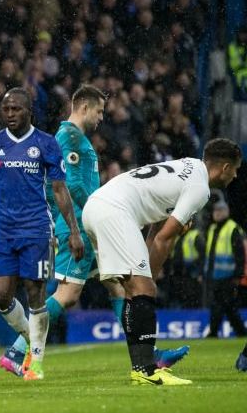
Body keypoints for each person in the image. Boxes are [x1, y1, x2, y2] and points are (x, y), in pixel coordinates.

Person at [0, 85, 189, 377]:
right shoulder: (70, 137)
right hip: (80, 225)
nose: (102, 117)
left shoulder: (74, 138)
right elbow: (70, 184)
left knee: (119, 285)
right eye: (99, 111)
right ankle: (16, 350)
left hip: (88, 225)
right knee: (68, 294)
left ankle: (147, 354)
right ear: (84, 107)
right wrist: (100, 214)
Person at [82, 138, 242, 385]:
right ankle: (147, 370)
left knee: (132, 292)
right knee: (143, 290)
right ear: (224, 168)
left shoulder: (187, 167)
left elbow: (157, 224)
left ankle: (141, 368)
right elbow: (165, 239)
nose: (235, 176)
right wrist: (151, 278)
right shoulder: (200, 188)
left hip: (98, 206)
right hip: (115, 211)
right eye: (235, 169)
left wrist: (144, 273)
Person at [0, 87, 85, 381]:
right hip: (4, 230)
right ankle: (29, 335)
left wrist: (74, 231)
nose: (10, 114)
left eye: (16, 109)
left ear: (29, 111)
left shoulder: (46, 144)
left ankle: (35, 362)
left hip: (36, 227)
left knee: (35, 292)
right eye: (6, 109)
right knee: (0, 296)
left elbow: (60, 190)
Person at [203, 200, 246, 338]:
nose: (218, 213)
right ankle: (240, 331)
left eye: (221, 210)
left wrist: (237, 275)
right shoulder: (212, 228)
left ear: (227, 212)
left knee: (221, 305)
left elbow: (240, 254)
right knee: (227, 306)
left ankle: (214, 332)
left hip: (228, 275)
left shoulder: (232, 228)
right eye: (216, 211)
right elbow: (210, 253)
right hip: (215, 276)